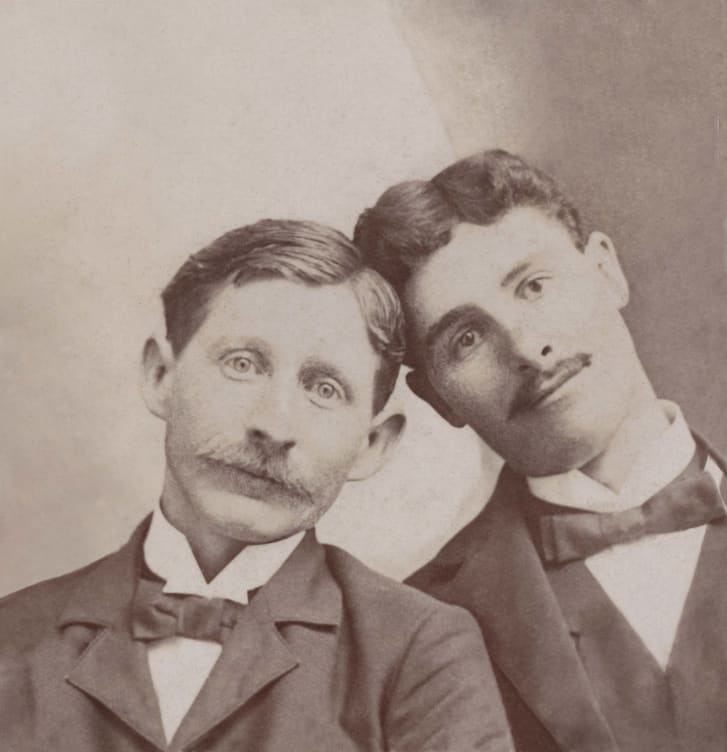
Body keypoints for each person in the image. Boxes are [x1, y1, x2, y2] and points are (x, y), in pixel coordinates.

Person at [0, 219, 514, 752]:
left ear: (372, 444)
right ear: (160, 377)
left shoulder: (418, 653)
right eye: (242, 364)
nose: (274, 425)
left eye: (325, 389)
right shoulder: (12, 640)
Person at [354, 150, 727, 752]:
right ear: (438, 399)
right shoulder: (413, 630)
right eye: (466, 338)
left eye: (533, 286)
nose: (527, 349)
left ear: (606, 271)